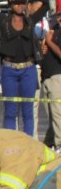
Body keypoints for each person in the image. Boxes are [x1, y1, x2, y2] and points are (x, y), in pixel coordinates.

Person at [0, 0, 48, 135]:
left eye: (22, 3)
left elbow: (46, 3)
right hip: (9, 70)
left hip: (28, 69)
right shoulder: (3, 20)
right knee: (10, 110)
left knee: (28, 110)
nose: (20, 5)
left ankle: (27, 143)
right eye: (16, 3)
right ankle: (11, 142)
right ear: (10, 4)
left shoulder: (31, 20)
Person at [41, 9, 61, 147]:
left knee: (58, 114)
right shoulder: (53, 30)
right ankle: (48, 143)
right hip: (46, 75)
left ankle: (59, 144)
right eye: (57, 17)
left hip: (57, 76)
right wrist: (44, 47)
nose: (58, 20)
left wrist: (50, 42)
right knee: (51, 115)